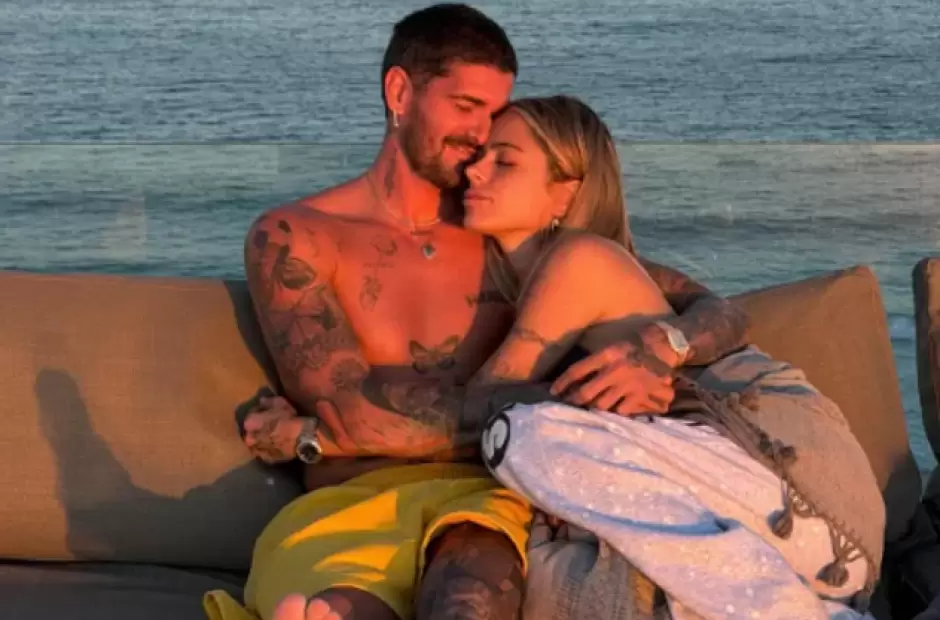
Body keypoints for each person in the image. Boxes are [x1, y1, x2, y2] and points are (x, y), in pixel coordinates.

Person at [203, 5, 749, 620]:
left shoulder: (505, 227)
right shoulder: (297, 238)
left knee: (469, 600)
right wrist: (584, 401)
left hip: (488, 499)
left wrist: (660, 349)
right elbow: (354, 415)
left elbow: (715, 309)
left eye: (494, 113)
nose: (481, 133)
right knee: (335, 609)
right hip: (347, 503)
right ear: (400, 92)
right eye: (465, 106)